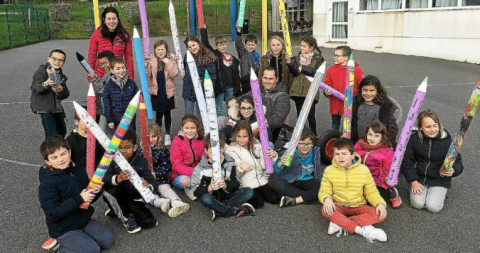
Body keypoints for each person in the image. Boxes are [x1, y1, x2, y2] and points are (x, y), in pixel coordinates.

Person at [38, 136, 114, 252]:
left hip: (82, 220)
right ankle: (60, 248)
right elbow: (52, 214)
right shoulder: (47, 184)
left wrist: (97, 191)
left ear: (69, 152)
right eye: (54, 157)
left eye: (63, 154)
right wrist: (79, 198)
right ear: (47, 161)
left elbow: (88, 199)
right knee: (93, 250)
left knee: (108, 240)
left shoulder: (78, 170)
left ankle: (78, 240)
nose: (60, 159)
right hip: (63, 228)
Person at [319, 138, 388, 242]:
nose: (340, 157)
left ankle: (340, 223)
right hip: (339, 205)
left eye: (344, 154)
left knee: (380, 213)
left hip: (359, 206)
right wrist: (327, 199)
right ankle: (360, 230)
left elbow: (371, 192)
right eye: (337, 154)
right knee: (325, 209)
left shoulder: (363, 170)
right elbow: (324, 190)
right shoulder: (329, 170)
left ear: (352, 155)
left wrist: (379, 203)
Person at [401, 110, 464, 213]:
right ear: (420, 127)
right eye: (428, 127)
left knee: (433, 207)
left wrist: (453, 170)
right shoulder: (414, 139)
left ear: (439, 125)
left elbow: (458, 161)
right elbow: (407, 160)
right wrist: (413, 181)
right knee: (417, 204)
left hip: (439, 179)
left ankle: (438, 191)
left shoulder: (448, 141)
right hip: (420, 178)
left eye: (435, 126)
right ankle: (425, 190)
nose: (432, 129)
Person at [102, 130, 158, 234]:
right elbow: (102, 178)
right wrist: (117, 178)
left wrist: (148, 186)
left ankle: (118, 209)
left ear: (135, 147)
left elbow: (152, 181)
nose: (123, 151)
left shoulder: (141, 161)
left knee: (150, 223)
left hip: (132, 197)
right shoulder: (110, 160)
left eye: (128, 147)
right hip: (117, 193)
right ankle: (125, 216)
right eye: (120, 147)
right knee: (109, 190)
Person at [191, 133, 255, 220]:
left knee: (248, 191)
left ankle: (220, 209)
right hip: (213, 197)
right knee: (205, 199)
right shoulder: (200, 168)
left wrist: (226, 185)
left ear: (223, 149)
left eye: (219, 152)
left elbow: (236, 183)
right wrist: (209, 188)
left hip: (227, 195)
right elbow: (195, 191)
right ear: (206, 150)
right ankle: (233, 211)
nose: (216, 156)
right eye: (212, 153)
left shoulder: (230, 162)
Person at [225, 120, 280, 209]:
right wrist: (240, 167)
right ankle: (238, 200)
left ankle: (253, 196)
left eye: (244, 136)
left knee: (275, 199)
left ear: (250, 136)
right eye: (238, 136)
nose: (241, 139)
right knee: (259, 203)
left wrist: (272, 156)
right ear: (234, 135)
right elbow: (234, 172)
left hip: (261, 181)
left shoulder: (257, 146)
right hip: (246, 184)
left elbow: (264, 166)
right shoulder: (231, 150)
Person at [229, 67, 290, 143]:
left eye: (270, 79)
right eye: (265, 78)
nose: (267, 81)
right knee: (223, 121)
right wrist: (235, 100)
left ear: (276, 79)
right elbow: (245, 97)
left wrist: (259, 124)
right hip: (250, 123)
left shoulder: (282, 96)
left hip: (266, 129)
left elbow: (278, 119)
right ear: (261, 78)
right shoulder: (258, 90)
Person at [354, 122, 402, 208]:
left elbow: (390, 169)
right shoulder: (359, 145)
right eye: (370, 134)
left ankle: (391, 192)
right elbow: (352, 158)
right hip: (361, 178)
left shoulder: (387, 152)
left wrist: (389, 178)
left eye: (376, 136)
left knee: (371, 199)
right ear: (366, 134)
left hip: (378, 180)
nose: (372, 138)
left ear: (382, 137)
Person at [271, 128, 322, 207]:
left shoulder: (315, 151)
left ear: (312, 143)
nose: (305, 147)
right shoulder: (289, 152)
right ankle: (311, 196)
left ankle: (295, 200)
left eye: (308, 144)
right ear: (296, 144)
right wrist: (280, 163)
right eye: (302, 143)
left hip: (307, 179)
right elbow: (276, 170)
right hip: (291, 180)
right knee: (279, 185)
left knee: (322, 185)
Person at [149, 123, 190, 217]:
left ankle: (177, 202)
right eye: (148, 137)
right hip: (146, 179)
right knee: (146, 191)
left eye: (154, 136)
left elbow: (166, 166)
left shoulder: (162, 149)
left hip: (160, 178)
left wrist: (156, 173)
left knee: (164, 188)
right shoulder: (140, 150)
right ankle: (162, 203)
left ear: (159, 136)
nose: (151, 139)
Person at [286, 36, 325, 135]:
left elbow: (316, 73)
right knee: (300, 115)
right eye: (301, 45)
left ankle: (314, 135)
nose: (301, 48)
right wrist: (290, 63)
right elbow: (294, 72)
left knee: (310, 115)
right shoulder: (297, 58)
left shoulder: (318, 58)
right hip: (298, 91)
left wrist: (302, 68)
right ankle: (300, 135)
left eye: (304, 46)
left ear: (311, 48)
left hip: (310, 91)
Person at [30, 49, 70, 138]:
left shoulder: (60, 74)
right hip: (45, 108)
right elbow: (35, 88)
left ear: (64, 63)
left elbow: (66, 94)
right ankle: (51, 151)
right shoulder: (41, 71)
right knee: (52, 134)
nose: (57, 62)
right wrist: (45, 84)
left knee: (62, 131)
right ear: (48, 59)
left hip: (57, 107)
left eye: (60, 60)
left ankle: (58, 149)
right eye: (54, 59)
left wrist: (61, 90)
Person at [200, 27, 241, 115]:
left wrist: (237, 87)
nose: (222, 47)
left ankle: (230, 125)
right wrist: (203, 29)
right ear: (216, 46)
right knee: (218, 107)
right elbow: (206, 44)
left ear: (226, 44)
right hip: (220, 87)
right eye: (219, 45)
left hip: (230, 87)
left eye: (223, 44)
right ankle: (217, 126)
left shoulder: (233, 59)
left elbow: (236, 75)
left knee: (230, 107)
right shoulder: (215, 56)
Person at [146, 40, 179, 146]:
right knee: (158, 114)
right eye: (158, 49)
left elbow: (174, 74)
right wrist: (146, 64)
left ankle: (168, 135)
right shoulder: (152, 60)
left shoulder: (170, 59)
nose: (160, 51)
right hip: (156, 91)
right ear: (155, 50)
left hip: (167, 92)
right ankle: (158, 134)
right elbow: (147, 74)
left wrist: (169, 62)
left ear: (166, 50)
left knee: (167, 113)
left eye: (162, 49)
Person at [323, 45, 364, 130]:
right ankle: (335, 142)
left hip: (350, 105)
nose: (334, 57)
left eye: (337, 56)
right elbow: (327, 84)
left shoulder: (357, 70)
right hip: (335, 105)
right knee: (335, 126)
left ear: (346, 57)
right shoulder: (331, 70)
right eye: (334, 55)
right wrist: (326, 92)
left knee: (349, 128)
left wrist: (357, 100)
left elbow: (362, 87)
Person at [88, 6, 134, 80]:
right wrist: (90, 79)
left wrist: (131, 78)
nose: (112, 22)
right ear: (104, 20)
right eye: (109, 19)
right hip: (101, 76)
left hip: (119, 75)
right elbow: (92, 56)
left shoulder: (125, 36)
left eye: (114, 18)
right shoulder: (97, 35)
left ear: (118, 19)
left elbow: (129, 58)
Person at [352, 75, 398, 145]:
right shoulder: (356, 103)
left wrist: (387, 143)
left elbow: (392, 128)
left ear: (377, 91)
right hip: (358, 144)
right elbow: (348, 122)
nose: (368, 93)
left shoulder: (384, 106)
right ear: (360, 89)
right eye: (365, 90)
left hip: (378, 146)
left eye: (371, 90)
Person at [170, 115, 206, 200]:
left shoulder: (201, 140)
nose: (190, 131)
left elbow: (204, 157)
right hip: (180, 174)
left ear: (197, 128)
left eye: (192, 128)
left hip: (198, 170)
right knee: (183, 181)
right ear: (181, 128)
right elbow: (177, 165)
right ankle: (194, 187)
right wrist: (196, 172)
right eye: (186, 128)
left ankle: (195, 187)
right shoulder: (177, 141)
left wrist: (203, 169)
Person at [182, 35, 217, 115]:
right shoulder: (187, 56)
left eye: (193, 45)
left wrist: (209, 91)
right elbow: (185, 69)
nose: (192, 48)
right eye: (189, 47)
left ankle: (202, 127)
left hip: (201, 89)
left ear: (198, 43)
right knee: (188, 113)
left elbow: (212, 76)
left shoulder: (207, 57)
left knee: (202, 113)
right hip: (189, 89)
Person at [102, 57, 139, 131]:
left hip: (129, 117)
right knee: (118, 138)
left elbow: (138, 97)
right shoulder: (109, 86)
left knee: (130, 137)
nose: (121, 70)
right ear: (112, 71)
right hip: (116, 118)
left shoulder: (131, 84)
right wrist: (109, 119)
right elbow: (106, 103)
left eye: (123, 67)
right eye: (118, 69)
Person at [87, 50, 115, 123]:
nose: (103, 66)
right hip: (103, 109)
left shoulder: (113, 74)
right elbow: (103, 84)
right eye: (101, 64)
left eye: (105, 63)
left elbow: (103, 90)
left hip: (109, 111)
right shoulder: (108, 73)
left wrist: (94, 78)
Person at [235, 26, 259, 95]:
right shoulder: (243, 52)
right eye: (248, 45)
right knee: (246, 97)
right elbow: (238, 43)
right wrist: (238, 32)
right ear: (245, 45)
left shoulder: (257, 54)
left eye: (252, 45)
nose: (250, 47)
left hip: (255, 78)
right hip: (246, 79)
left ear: (256, 45)